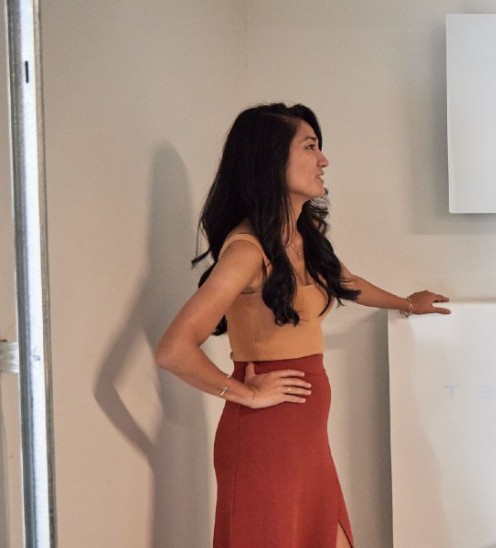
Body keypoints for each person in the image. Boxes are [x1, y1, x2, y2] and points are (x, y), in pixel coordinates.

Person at [154, 103, 450, 548]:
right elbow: (173, 348)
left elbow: (345, 281)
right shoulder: (247, 251)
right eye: (310, 147)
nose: (324, 160)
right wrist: (246, 393)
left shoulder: (302, 233)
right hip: (264, 443)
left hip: (307, 440)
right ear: (270, 160)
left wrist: (407, 302)